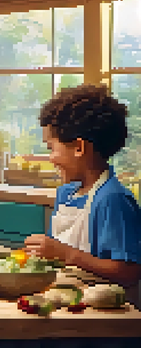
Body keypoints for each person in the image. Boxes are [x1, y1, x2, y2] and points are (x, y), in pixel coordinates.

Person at [23, 84, 141, 308]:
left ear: (79, 147)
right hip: (69, 305)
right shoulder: (66, 194)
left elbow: (129, 272)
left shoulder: (112, 199)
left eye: (51, 148)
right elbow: (54, 254)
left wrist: (66, 254)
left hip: (106, 319)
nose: (51, 158)